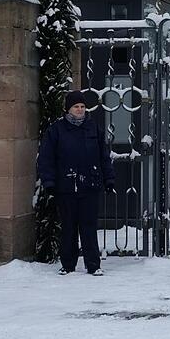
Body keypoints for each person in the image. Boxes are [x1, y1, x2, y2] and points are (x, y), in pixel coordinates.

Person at [37, 89, 114, 275]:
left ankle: (93, 265)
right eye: (76, 107)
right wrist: (49, 182)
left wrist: (108, 178)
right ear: (68, 109)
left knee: (89, 227)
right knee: (69, 228)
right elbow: (46, 158)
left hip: (90, 185)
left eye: (82, 107)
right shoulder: (57, 130)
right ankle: (68, 264)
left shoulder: (93, 128)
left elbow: (103, 156)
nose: (80, 110)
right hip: (66, 186)